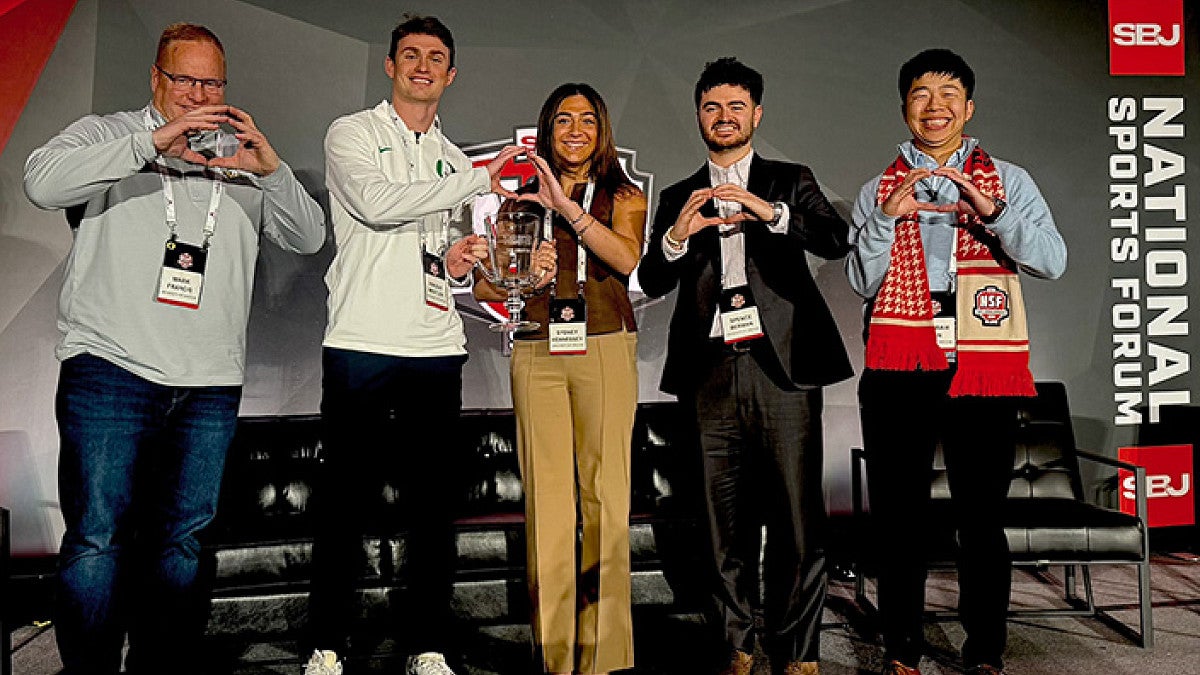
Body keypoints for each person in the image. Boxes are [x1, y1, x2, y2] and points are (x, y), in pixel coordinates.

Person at [22, 23, 325, 675]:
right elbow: (41, 183)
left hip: (210, 383)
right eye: (184, 79)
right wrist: (149, 142)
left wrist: (270, 171)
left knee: (183, 547)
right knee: (98, 541)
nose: (197, 93)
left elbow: (307, 234)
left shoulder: (239, 156)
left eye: (210, 81)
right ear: (155, 79)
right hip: (110, 370)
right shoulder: (108, 134)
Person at [306, 15, 521, 675]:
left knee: (433, 508)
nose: (423, 66)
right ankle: (327, 643)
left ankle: (427, 642)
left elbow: (436, 258)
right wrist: (481, 180)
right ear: (391, 66)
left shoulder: (454, 161)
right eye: (411, 55)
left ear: (450, 74)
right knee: (344, 502)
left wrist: (457, 260)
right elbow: (375, 204)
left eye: (435, 58)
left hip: (435, 345)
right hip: (361, 341)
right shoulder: (353, 133)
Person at [846, 49, 1067, 675]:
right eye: (921, 93)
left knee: (981, 516)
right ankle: (902, 647)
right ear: (905, 107)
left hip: (981, 358)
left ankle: (985, 650)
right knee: (899, 518)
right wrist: (887, 222)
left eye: (948, 94)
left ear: (968, 108)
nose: (934, 105)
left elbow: (1052, 260)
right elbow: (862, 281)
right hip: (898, 359)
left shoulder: (1010, 180)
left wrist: (994, 214)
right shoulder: (879, 188)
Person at [639, 57, 853, 675]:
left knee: (795, 517)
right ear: (698, 116)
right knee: (718, 520)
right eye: (712, 107)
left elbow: (833, 239)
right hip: (709, 372)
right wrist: (677, 236)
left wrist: (769, 212)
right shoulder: (681, 193)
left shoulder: (789, 179)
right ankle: (736, 642)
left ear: (756, 114)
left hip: (782, 368)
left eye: (736, 106)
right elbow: (652, 278)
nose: (724, 117)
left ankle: (798, 650)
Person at [474, 83, 647, 675]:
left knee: (606, 500)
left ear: (602, 132)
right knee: (547, 507)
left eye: (588, 120)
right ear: (546, 131)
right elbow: (488, 289)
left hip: (604, 347)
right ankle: (555, 659)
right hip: (537, 353)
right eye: (564, 120)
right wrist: (523, 274)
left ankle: (606, 660)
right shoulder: (517, 204)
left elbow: (626, 259)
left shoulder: (623, 195)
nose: (576, 130)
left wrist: (568, 212)